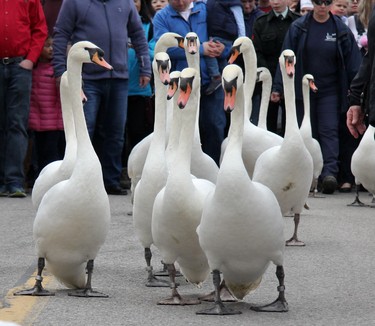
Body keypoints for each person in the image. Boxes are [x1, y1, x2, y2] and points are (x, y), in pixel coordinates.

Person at [53, 0, 152, 196]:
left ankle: (110, 181)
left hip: (119, 77)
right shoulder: (73, 2)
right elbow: (61, 34)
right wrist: (60, 70)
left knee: (116, 132)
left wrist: (145, 67)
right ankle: (77, 181)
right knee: (84, 130)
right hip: (86, 78)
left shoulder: (125, 2)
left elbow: (138, 34)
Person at [272, 0, 361, 194]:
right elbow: (285, 57)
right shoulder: (299, 27)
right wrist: (278, 86)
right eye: (318, 2)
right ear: (312, 3)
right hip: (303, 90)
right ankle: (309, 176)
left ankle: (329, 173)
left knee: (329, 131)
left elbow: (354, 64)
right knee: (307, 134)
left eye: (327, 2)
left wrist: (357, 91)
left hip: (330, 90)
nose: (322, 6)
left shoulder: (339, 28)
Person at [153, 0, 231, 166]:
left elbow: (226, 34)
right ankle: (183, 171)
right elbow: (163, 48)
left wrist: (224, 48)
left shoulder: (206, 10)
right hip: (182, 85)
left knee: (214, 127)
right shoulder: (161, 17)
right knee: (183, 131)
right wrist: (200, 49)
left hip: (211, 83)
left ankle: (212, 172)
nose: (180, 2)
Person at [0, 0, 48, 198]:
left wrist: (31, 59)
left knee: (16, 124)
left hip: (19, 66)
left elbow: (40, 28)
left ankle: (13, 181)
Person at [252, 0, 301, 136]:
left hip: (292, 80)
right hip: (269, 79)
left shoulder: (298, 22)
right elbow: (257, 52)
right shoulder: (261, 23)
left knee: (291, 123)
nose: (275, 2)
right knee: (268, 125)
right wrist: (271, 83)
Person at [122, 0, 155, 188]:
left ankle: (139, 172)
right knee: (118, 134)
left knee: (138, 133)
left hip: (140, 89)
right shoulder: (116, 24)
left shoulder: (149, 26)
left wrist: (137, 46)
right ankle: (121, 171)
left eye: (136, 1)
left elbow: (154, 50)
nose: (133, 4)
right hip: (118, 86)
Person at [29, 36, 65, 178]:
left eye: (53, 46)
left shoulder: (57, 70)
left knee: (52, 156)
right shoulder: (33, 70)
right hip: (38, 123)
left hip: (54, 123)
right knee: (39, 154)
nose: (51, 49)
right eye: (47, 46)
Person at [204, 0, 246, 95]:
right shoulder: (208, 2)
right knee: (220, 58)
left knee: (210, 51)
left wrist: (241, 42)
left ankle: (216, 77)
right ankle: (228, 79)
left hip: (225, 34)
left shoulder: (233, 2)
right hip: (214, 33)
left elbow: (240, 23)